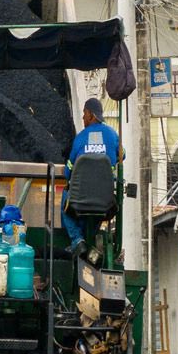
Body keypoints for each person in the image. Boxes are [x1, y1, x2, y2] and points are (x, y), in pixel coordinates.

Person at [61, 97, 123, 256]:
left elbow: (68, 170)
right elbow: (123, 155)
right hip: (105, 199)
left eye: (84, 113)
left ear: (91, 114)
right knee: (94, 214)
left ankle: (77, 240)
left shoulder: (80, 138)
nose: (82, 117)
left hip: (80, 198)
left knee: (65, 201)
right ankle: (88, 240)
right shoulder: (112, 135)